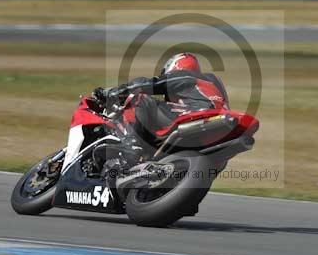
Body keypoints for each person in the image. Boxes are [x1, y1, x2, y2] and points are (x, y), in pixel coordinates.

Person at [62, 53, 229, 169]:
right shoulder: (211, 86)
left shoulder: (188, 77)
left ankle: (131, 145)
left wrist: (114, 92)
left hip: (195, 117)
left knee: (139, 98)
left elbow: (148, 84)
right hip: (212, 134)